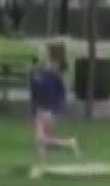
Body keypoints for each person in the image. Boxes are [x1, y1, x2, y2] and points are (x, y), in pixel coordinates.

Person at [29, 42, 80, 170]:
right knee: (42, 140)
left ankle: (69, 144)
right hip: (40, 108)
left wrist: (54, 109)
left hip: (49, 109)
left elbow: (60, 94)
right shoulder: (37, 72)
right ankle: (42, 164)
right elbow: (34, 91)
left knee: (41, 138)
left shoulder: (54, 76)